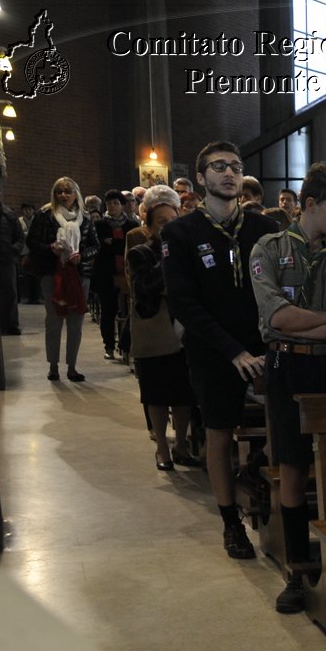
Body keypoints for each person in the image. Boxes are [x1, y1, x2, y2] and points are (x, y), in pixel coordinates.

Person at [250, 162, 326, 614]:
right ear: (310, 204)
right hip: (288, 369)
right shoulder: (269, 247)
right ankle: (298, 572)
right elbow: (275, 317)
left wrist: (316, 325)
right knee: (295, 468)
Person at [162, 141, 280, 558]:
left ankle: (255, 472)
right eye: (218, 167)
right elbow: (183, 303)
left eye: (234, 166)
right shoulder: (180, 232)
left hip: (264, 345)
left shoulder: (263, 230)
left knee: (288, 422)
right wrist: (234, 352)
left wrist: (268, 343)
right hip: (213, 349)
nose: (228, 173)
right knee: (219, 431)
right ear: (201, 177)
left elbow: (281, 292)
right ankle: (231, 523)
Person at [124, 186, 197, 472]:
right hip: (155, 331)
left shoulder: (188, 251)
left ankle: (181, 443)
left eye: (174, 220)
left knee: (183, 393)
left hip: (185, 331)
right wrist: (167, 258)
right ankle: (162, 448)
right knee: (156, 393)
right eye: (163, 222)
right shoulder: (140, 252)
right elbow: (144, 291)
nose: (169, 226)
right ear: (151, 227)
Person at [26, 176, 99, 383]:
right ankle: (53, 366)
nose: (63, 195)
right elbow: (32, 242)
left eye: (67, 191)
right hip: (52, 273)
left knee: (76, 321)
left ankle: (72, 367)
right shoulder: (44, 214)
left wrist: (81, 256)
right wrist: (51, 249)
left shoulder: (84, 216)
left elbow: (95, 245)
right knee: (54, 320)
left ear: (76, 193)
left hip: (79, 274)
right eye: (59, 191)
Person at [91, 190, 137, 362]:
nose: (112, 207)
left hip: (126, 273)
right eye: (109, 203)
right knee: (108, 311)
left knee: (129, 310)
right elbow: (102, 248)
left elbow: (128, 246)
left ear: (122, 205)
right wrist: (117, 244)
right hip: (106, 273)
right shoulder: (100, 225)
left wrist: (113, 243)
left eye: (116, 203)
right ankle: (109, 346)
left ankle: (127, 346)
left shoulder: (131, 224)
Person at [0, 182, 21, 334]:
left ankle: (10, 325)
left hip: (6, 261)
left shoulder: (9, 215)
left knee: (9, 294)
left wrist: (11, 252)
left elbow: (20, 239)